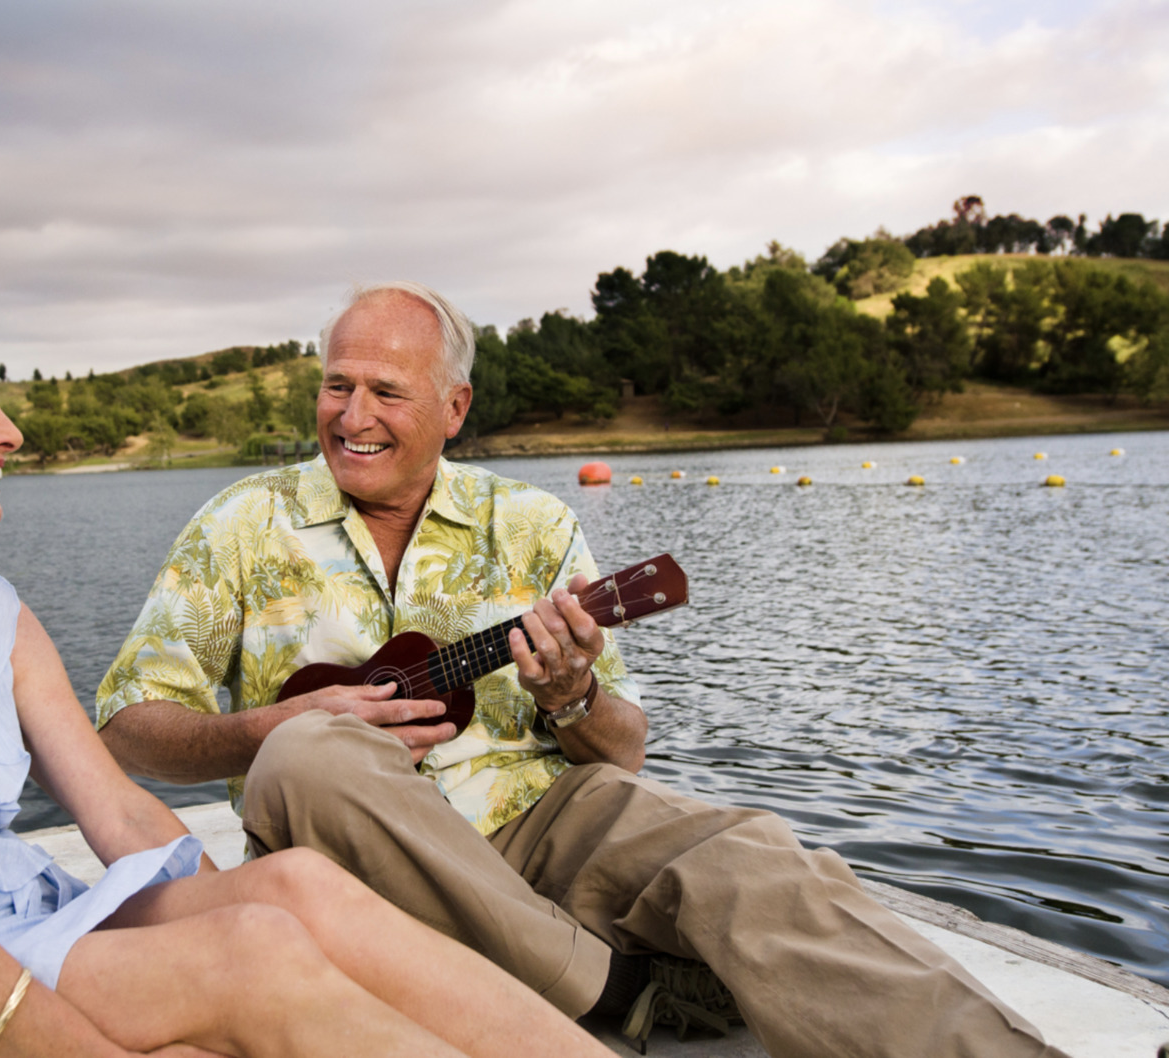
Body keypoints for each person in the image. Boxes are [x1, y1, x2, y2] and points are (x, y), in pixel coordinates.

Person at [96, 280, 1069, 1058]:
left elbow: (623, 749)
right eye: (336, 384)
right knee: (308, 754)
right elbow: (129, 719)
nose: (351, 414)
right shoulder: (240, 523)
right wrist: (254, 731)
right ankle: (613, 988)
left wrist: (572, 692)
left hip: (533, 820)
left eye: (385, 391)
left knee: (751, 850)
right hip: (343, 852)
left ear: (454, 405)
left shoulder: (533, 524)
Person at [0, 272, 617, 1058]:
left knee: (291, 895)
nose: (11, 433)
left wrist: (242, 916)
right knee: (252, 964)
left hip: (18, 929)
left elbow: (120, 809)